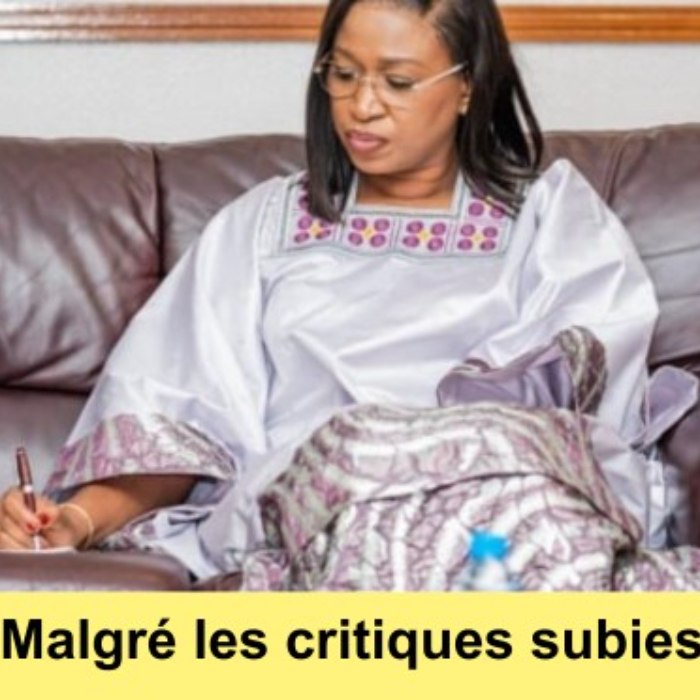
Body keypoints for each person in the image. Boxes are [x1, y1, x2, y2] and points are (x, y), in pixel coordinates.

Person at [1, 0, 697, 588]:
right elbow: (177, 425)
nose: (362, 106)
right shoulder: (265, 226)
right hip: (327, 489)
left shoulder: (549, 216)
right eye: (343, 74)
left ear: (467, 86)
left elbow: (581, 386)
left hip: (507, 483)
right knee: (361, 455)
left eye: (398, 81)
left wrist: (440, 442)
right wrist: (77, 520)